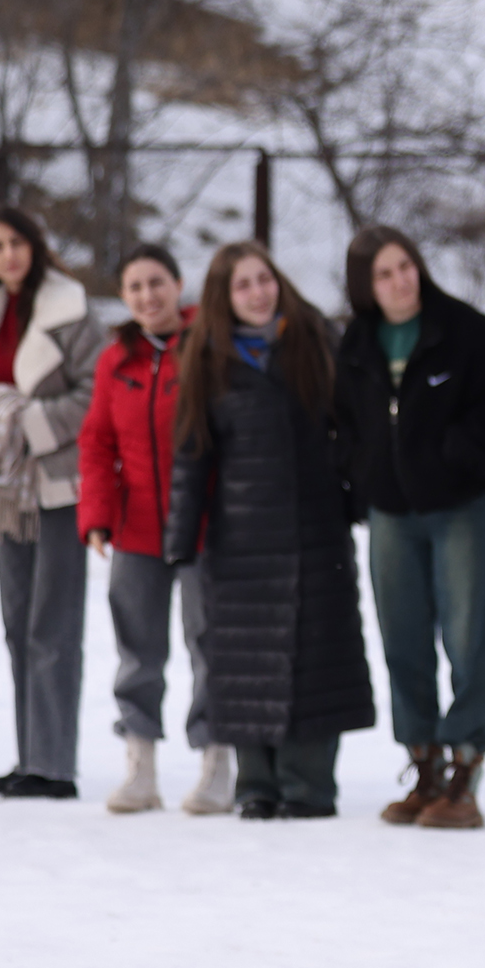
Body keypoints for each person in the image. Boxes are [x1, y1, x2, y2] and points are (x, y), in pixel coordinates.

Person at [163, 241, 381, 822]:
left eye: (264, 279)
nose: (258, 293)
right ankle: (256, 783)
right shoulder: (206, 357)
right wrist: (180, 538)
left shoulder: (315, 340)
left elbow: (353, 428)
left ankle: (307, 785)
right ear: (224, 298)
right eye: (243, 285)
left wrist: (358, 499)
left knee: (315, 657)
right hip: (241, 539)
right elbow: (191, 453)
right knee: (245, 664)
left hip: (315, 530)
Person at [338, 225, 485, 830]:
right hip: (391, 515)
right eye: (384, 274)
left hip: (460, 508)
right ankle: (423, 765)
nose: (400, 281)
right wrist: (362, 478)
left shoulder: (464, 330)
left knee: (472, 637)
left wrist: (461, 458)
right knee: (403, 640)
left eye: (406, 266)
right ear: (365, 285)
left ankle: (465, 764)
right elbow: (344, 423)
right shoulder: (357, 344)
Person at [0, 206, 105, 799]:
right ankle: (29, 754)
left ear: (35, 246)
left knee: (52, 624)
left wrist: (30, 423)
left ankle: (54, 765)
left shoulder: (70, 309)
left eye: (16, 243)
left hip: (59, 484)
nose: (8, 255)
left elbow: (94, 390)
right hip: (10, 487)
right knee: (18, 623)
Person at [78, 243, 229, 817]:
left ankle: (217, 762)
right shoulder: (115, 360)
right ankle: (139, 765)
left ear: (178, 284)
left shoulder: (208, 347)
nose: (148, 296)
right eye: (135, 287)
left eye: (157, 282)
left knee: (208, 643)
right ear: (123, 295)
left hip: (203, 526)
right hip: (135, 528)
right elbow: (97, 441)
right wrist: (96, 515)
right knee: (137, 649)